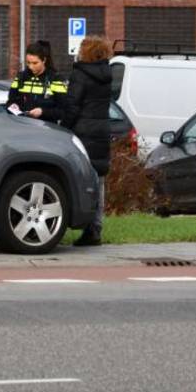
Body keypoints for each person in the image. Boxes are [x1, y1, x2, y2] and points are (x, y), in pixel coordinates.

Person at [62, 36, 113, 247]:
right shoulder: (108, 75)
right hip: (101, 131)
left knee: (84, 179)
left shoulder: (80, 75)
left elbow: (73, 105)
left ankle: (86, 227)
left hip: (83, 132)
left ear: (87, 52)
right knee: (99, 180)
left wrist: (63, 126)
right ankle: (95, 228)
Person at [6, 40, 66, 123]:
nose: (31, 66)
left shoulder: (56, 79)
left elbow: (64, 111)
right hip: (23, 128)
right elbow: (10, 102)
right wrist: (13, 106)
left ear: (44, 60)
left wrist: (43, 112)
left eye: (35, 63)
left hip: (48, 131)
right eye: (28, 63)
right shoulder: (21, 78)